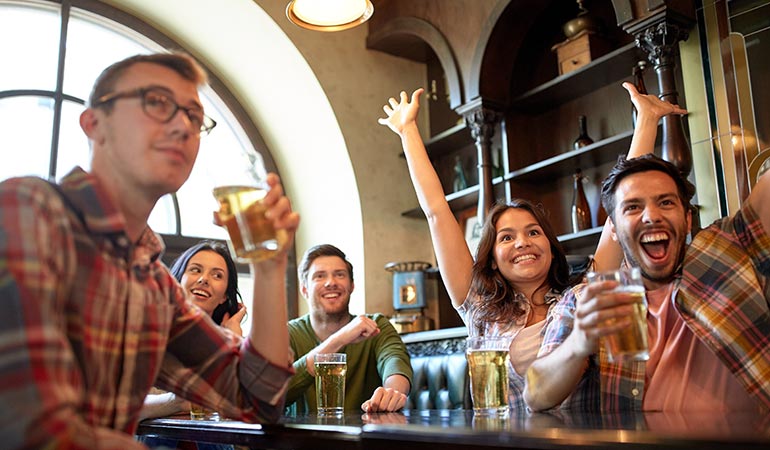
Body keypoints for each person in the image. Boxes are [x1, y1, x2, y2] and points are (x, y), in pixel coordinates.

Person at [0, 53, 300, 448]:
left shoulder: (153, 286)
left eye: (194, 117)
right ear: (94, 124)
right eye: (157, 102)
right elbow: (30, 428)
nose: (182, 125)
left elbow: (260, 398)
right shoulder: (28, 210)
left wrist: (269, 264)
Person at [377, 83, 684, 410]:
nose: (522, 242)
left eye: (534, 232)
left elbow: (617, 215)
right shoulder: (479, 308)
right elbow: (436, 211)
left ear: (551, 248)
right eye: (507, 237)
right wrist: (407, 131)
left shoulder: (579, 297)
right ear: (493, 259)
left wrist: (647, 120)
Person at [524, 88, 770, 412]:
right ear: (613, 227)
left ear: (687, 216)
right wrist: (579, 343)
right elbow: (535, 395)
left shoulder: (731, 246)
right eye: (633, 207)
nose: (651, 215)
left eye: (665, 202)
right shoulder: (588, 299)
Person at [285, 244, 413, 413]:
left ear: (352, 286)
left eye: (339, 275)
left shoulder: (376, 324)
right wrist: (340, 339)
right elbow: (276, 394)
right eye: (320, 276)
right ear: (304, 289)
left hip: (362, 436)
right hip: (301, 438)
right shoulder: (288, 333)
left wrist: (392, 393)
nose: (331, 282)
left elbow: (395, 361)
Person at [139, 240, 248, 422]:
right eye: (195, 270)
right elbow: (125, 406)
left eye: (217, 275)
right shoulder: (148, 333)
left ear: (224, 297)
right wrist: (178, 401)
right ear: (177, 280)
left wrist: (231, 342)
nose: (203, 279)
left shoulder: (231, 342)